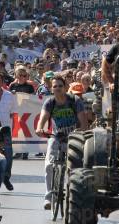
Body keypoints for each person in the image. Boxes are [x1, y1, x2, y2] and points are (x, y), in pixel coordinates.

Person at [36, 75, 87, 209]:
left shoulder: (75, 101)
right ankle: (48, 197)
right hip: (56, 136)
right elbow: (43, 117)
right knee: (49, 164)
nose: (57, 88)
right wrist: (39, 128)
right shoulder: (49, 102)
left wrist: (77, 132)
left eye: (60, 86)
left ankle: (75, 195)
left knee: (76, 168)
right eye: (55, 86)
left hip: (74, 137)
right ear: (51, 89)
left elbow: (84, 124)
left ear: (65, 88)